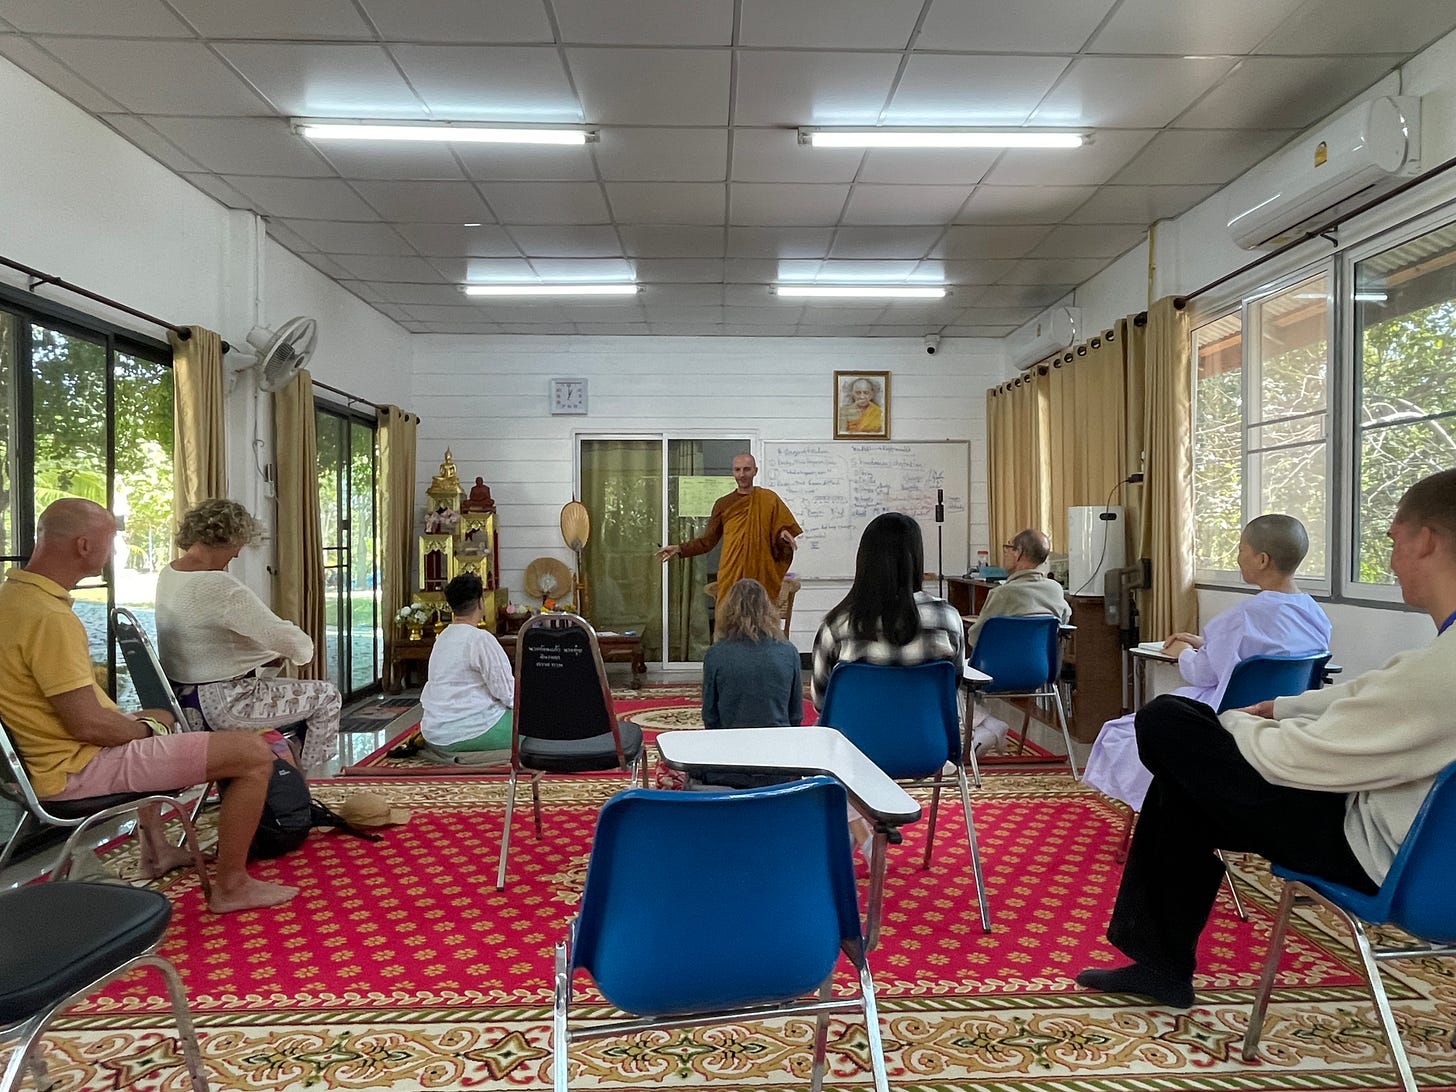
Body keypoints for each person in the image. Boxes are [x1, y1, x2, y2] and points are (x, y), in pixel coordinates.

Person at [1076, 469, 1456, 1010]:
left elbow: (1301, 758)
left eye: (1394, 539)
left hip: (1382, 850)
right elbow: (1375, 692)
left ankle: (1161, 965)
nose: (1391, 559)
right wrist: (1283, 706)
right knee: (1183, 787)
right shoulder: (1417, 651)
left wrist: (1235, 724)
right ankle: (1160, 966)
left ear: (1426, 540)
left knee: (1165, 719)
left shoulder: (1443, 671)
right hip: (1404, 830)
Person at [0, 499, 295, 912]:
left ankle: (155, 850)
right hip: (75, 769)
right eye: (110, 542)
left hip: (45, 762)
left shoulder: (13, 598)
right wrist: (144, 730)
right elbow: (89, 727)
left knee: (161, 716)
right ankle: (232, 886)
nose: (112, 553)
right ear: (85, 546)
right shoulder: (49, 617)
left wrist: (145, 722)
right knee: (252, 754)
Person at [1082, 515, 1331, 811]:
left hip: (1227, 719)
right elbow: (1271, 656)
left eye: (1242, 549)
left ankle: (1163, 810)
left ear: (1262, 560)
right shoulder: (1314, 614)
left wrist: (1183, 652)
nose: (1238, 557)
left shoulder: (1243, 616)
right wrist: (1205, 643)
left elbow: (1203, 673)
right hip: (1285, 723)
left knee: (1120, 732)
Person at [811, 513, 964, 855]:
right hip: (927, 748)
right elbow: (951, 686)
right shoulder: (948, 619)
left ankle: (856, 831)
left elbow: (822, 701)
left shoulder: (838, 624)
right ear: (917, 559)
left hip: (854, 752)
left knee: (819, 745)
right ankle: (860, 832)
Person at [156, 499, 341, 776]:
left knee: (279, 677)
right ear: (226, 538)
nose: (237, 554)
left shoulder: (169, 573)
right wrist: (300, 650)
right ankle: (311, 785)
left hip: (183, 703)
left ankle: (282, 777)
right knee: (326, 696)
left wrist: (263, 655)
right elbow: (290, 641)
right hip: (224, 706)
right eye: (238, 545)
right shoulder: (218, 585)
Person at [657, 453, 802, 611]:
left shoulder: (769, 499)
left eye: (747, 469)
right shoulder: (723, 504)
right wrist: (679, 548)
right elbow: (707, 541)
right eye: (737, 470)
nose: (742, 474)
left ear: (755, 471)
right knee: (729, 618)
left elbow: (780, 538)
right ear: (732, 472)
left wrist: (782, 536)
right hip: (731, 571)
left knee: (760, 618)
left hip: (760, 574)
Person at [418, 572, 514, 766]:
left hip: (434, 732)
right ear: (480, 603)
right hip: (471, 731)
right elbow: (507, 694)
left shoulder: (442, 637)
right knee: (538, 725)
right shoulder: (480, 639)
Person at [701, 578, 802, 731]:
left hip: (730, 738)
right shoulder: (789, 652)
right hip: (777, 739)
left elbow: (710, 715)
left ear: (727, 611)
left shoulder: (715, 654)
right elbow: (796, 714)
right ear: (768, 611)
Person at [965, 528, 1071, 651]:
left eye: (1008, 547)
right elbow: (1064, 620)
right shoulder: (1055, 589)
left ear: (1018, 552)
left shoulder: (1002, 594)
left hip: (1003, 662)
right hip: (1042, 662)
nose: (1005, 552)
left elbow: (975, 638)